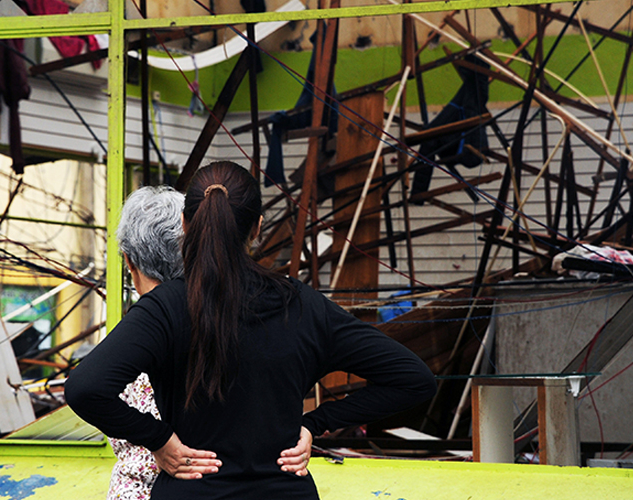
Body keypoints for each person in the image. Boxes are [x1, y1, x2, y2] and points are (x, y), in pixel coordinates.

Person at [66, 161, 437, 500]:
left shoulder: (167, 307)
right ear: (258, 227)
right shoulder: (301, 304)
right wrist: (315, 424)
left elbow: (86, 388)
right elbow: (413, 379)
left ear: (184, 224)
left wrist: (160, 440)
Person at [103, 185, 311, 500]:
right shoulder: (238, 325)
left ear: (128, 261)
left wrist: (159, 442)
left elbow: (86, 390)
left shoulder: (128, 343)